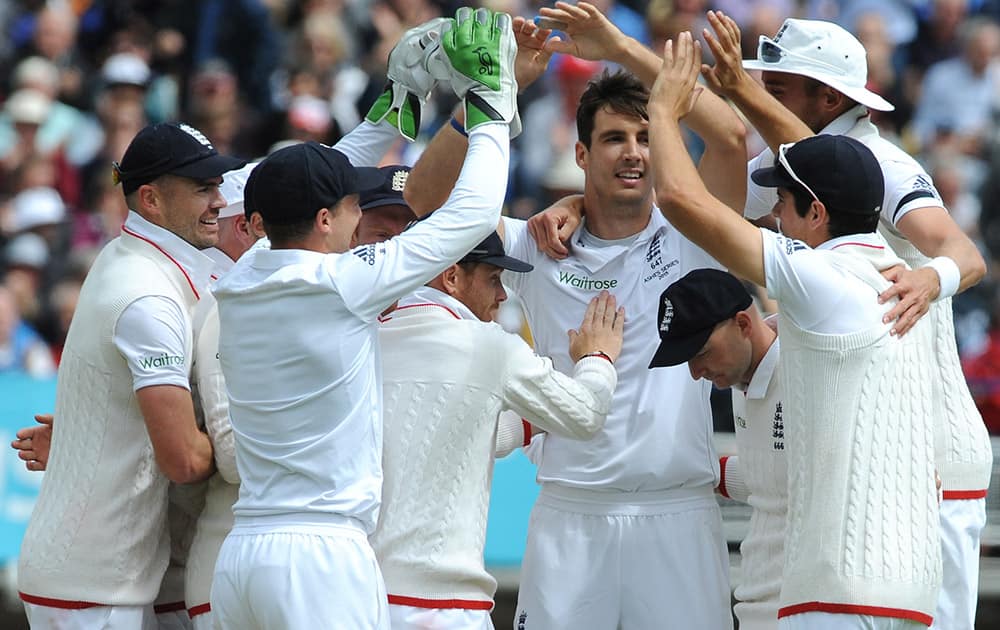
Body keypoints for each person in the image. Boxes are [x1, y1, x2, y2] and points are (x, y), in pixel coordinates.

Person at [405, 4, 746, 627]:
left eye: (646, 137)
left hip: (676, 512)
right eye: (615, 138)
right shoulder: (536, 242)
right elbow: (424, 200)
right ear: (582, 154)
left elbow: (728, 136)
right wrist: (499, 90)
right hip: (568, 513)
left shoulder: (696, 235)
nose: (634, 153)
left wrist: (620, 46)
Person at [208, 9, 519, 629]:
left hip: (242, 556)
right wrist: (491, 99)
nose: (362, 217)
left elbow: (307, 180)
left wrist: (399, 100)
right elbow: (473, 211)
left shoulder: (242, 276)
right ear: (325, 220)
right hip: (321, 557)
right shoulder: (345, 284)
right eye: (353, 206)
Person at [700, 13, 992, 627]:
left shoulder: (880, 161)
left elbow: (966, 256)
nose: (763, 99)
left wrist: (929, 278)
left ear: (829, 97)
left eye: (776, 89)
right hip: (869, 457)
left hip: (931, 451)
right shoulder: (796, 171)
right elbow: (701, 212)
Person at [648, 31, 940, 628]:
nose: (773, 216)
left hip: (835, 595)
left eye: (782, 203)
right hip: (908, 595)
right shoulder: (895, 276)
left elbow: (681, 199)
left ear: (817, 213)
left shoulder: (826, 282)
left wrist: (662, 110)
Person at [15, 120, 244, 629]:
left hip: (96, 578)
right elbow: (183, 458)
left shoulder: (138, 257)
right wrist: (259, 441)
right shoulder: (149, 294)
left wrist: (85, 436)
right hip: (92, 589)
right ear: (151, 199)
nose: (219, 202)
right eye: (203, 188)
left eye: (219, 185)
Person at [374, 230, 624, 630]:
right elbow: (584, 415)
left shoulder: (368, 337)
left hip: (363, 600)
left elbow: (465, 435)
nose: (503, 295)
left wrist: (533, 422)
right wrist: (598, 357)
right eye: (493, 279)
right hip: (449, 607)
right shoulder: (487, 343)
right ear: (452, 277)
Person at [649, 268, 782, 630]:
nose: (695, 373)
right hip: (763, 603)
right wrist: (706, 470)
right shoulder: (741, 377)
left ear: (742, 324)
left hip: (812, 605)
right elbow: (778, 477)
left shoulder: (807, 365)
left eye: (702, 352)